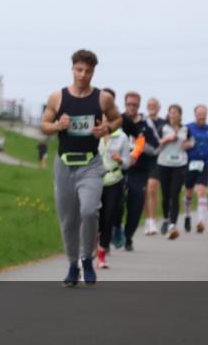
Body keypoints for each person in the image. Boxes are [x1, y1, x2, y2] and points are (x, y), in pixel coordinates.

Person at [40, 50, 122, 287]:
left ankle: (88, 258)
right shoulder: (58, 97)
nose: (83, 75)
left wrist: (106, 129)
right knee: (68, 220)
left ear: (93, 72)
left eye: (88, 71)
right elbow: (44, 126)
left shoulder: (102, 98)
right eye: (79, 70)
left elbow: (117, 119)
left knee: (88, 211)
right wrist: (58, 125)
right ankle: (72, 265)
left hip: (90, 164)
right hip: (64, 164)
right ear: (72, 69)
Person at [121, 91, 162, 247]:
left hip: (139, 170)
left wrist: (141, 146)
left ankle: (128, 236)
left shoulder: (146, 124)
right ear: (125, 104)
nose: (131, 107)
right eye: (129, 104)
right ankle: (113, 231)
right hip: (119, 169)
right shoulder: (119, 120)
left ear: (139, 106)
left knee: (136, 204)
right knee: (115, 203)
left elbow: (157, 147)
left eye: (134, 105)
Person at [96, 88, 130, 268]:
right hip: (94, 180)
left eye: (110, 115)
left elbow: (128, 163)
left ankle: (102, 255)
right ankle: (92, 246)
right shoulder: (94, 135)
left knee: (108, 217)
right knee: (93, 216)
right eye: (104, 115)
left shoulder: (122, 137)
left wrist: (121, 159)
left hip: (114, 180)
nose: (106, 118)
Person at [156, 104, 192, 240]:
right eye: (171, 112)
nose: (173, 114)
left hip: (180, 164)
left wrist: (188, 145)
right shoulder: (163, 128)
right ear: (168, 114)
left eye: (176, 112)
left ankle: (173, 225)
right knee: (165, 194)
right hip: (164, 163)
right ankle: (166, 218)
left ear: (180, 115)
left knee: (174, 193)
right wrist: (167, 139)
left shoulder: (185, 129)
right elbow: (156, 143)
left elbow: (191, 142)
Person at [183, 105, 208, 234]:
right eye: (199, 114)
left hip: (205, 163)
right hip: (190, 162)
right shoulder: (188, 128)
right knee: (189, 194)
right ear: (195, 114)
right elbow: (182, 144)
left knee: (202, 191)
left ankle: (201, 221)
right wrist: (190, 144)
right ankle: (187, 215)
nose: (201, 116)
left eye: (204, 114)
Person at [144, 98, 167, 234]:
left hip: (158, 159)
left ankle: (153, 221)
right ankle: (147, 220)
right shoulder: (143, 121)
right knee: (144, 191)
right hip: (143, 159)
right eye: (149, 105)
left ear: (159, 107)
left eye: (154, 105)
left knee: (152, 187)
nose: (152, 107)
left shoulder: (163, 123)